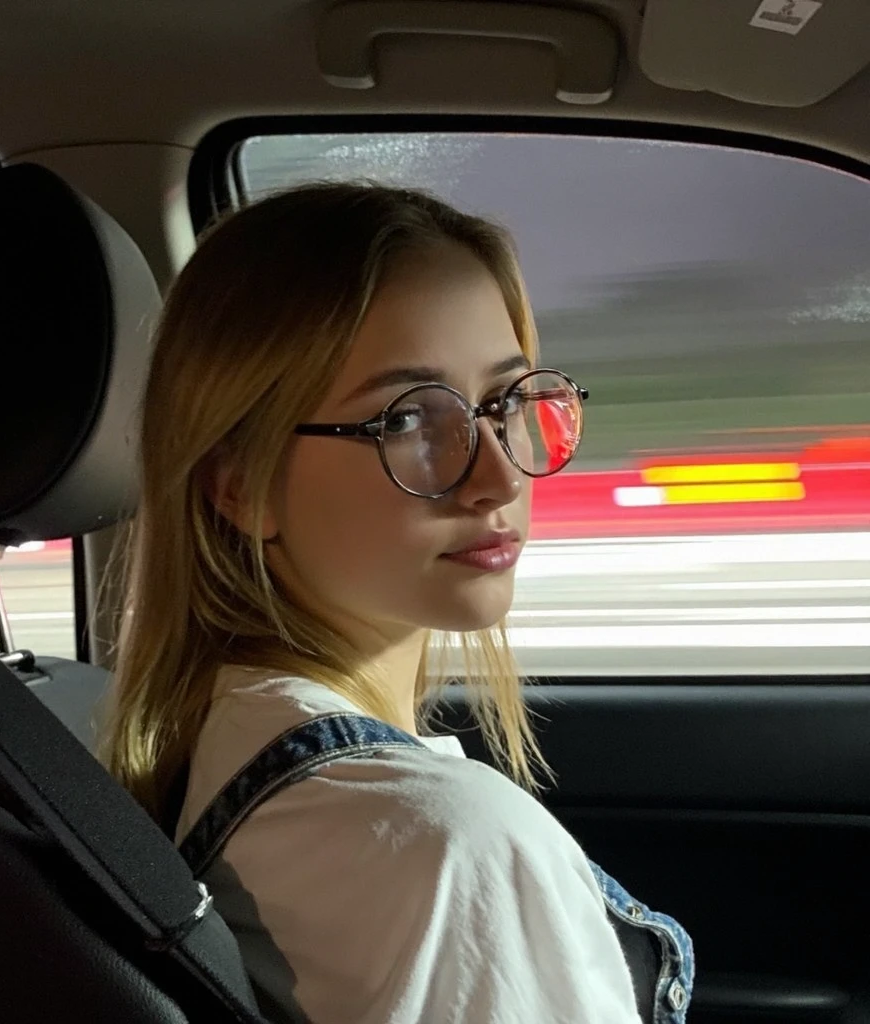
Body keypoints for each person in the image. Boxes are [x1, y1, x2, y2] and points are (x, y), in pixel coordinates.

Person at [99, 181, 693, 1023]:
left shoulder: (227, 741)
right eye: (409, 421)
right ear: (242, 485)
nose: (498, 476)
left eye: (507, 403)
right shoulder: (447, 846)